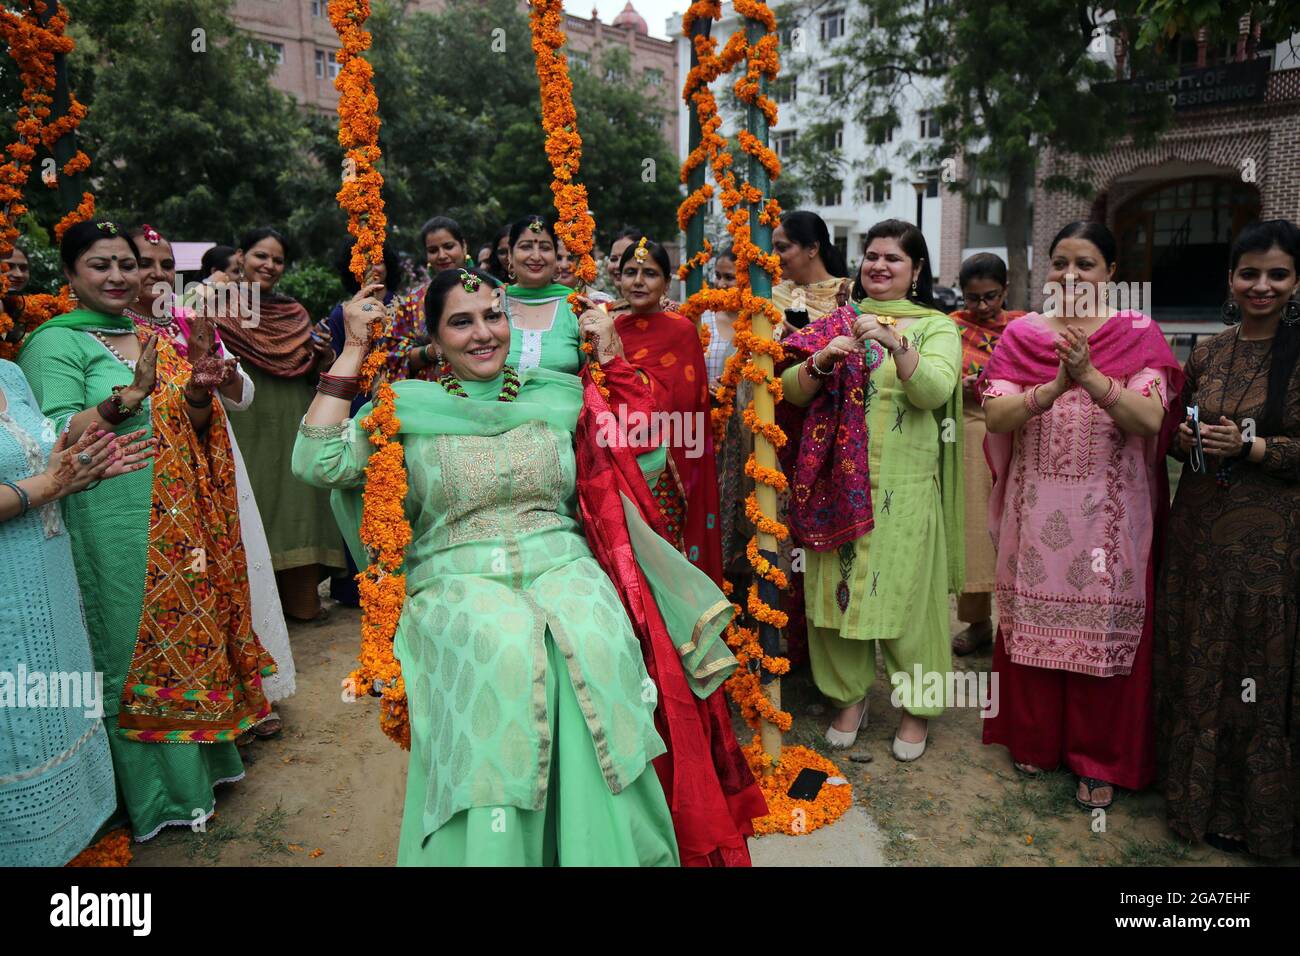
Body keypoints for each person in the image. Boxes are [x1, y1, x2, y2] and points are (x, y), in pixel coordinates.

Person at [292, 267, 761, 865]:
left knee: (594, 641)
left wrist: (612, 356)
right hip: (454, 577)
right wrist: (355, 348)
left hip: (563, 563)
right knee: (505, 649)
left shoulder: (558, 395)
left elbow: (640, 458)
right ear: (434, 340)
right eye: (460, 323)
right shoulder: (402, 408)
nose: (482, 333)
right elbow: (316, 461)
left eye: (493, 316)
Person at [18, 220, 276, 841]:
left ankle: (200, 769)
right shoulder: (53, 344)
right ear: (70, 276)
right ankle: (149, 793)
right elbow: (51, 438)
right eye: (100, 266)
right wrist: (124, 399)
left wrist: (199, 389)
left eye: (126, 266)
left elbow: (191, 418)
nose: (117, 277)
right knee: (127, 644)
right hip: (111, 517)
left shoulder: (147, 330)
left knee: (186, 636)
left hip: (184, 513)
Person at [980, 221, 1183, 810]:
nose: (1071, 275)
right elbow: (996, 419)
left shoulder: (1138, 335)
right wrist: (1053, 386)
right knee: (1032, 626)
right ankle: (1037, 740)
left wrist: (1090, 378)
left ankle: (1101, 759)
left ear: (1112, 273)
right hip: (1037, 509)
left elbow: (1149, 420)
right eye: (1061, 262)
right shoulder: (1022, 336)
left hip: (1110, 518)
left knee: (1104, 632)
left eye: (1087, 264)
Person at [777, 219, 963, 761]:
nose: (879, 266)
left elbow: (933, 391)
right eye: (872, 256)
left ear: (917, 270)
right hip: (837, 486)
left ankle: (915, 710)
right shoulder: (839, 319)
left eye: (894, 259)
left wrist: (895, 343)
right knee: (836, 594)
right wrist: (822, 359)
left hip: (904, 487)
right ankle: (848, 700)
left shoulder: (935, 328)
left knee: (908, 600)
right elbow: (790, 391)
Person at [1156, 219, 1300, 857]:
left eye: (1277, 274)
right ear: (1231, 279)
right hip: (1200, 532)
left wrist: (1255, 445)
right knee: (1201, 653)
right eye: (1249, 273)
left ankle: (1255, 813)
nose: (1261, 286)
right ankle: (1194, 801)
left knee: (1256, 665)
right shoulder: (1211, 351)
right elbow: (1181, 424)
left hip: (1270, 548)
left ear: (1296, 281)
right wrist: (1186, 439)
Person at [126, 224, 296, 733]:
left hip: (220, 465)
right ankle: (207, 701)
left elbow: (242, 395)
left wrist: (214, 368)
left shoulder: (187, 318)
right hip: (162, 476)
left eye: (165, 265)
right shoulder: (115, 329)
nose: (157, 274)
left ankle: (251, 691)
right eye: (145, 263)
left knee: (235, 574)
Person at [1, 365, 153, 866]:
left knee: (53, 705)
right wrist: (45, 486)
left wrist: (120, 405)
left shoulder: (7, 374)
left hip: (45, 575)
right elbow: (42, 478)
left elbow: (45, 444)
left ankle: (63, 846)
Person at [216, 226, 344, 622]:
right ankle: (255, 615)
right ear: (240, 255)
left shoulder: (292, 312)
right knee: (251, 501)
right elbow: (175, 317)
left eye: (277, 259)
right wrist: (213, 284)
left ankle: (301, 602)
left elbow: (311, 371)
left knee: (298, 502)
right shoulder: (217, 303)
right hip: (244, 419)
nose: (269, 265)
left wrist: (323, 356)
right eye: (260, 256)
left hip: (291, 413)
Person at [949, 253, 1025, 656]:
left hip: (1019, 430)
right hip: (970, 433)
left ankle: (1019, 625)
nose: (981, 307)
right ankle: (979, 624)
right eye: (972, 298)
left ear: (1006, 290)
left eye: (990, 296)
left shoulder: (1022, 326)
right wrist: (957, 383)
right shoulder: (950, 328)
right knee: (976, 533)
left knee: (1020, 528)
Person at [371, 216, 467, 387]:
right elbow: (392, 357)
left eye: (449, 246)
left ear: (464, 246)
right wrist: (430, 352)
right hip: (429, 397)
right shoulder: (414, 300)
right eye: (433, 250)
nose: (442, 255)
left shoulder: (487, 289)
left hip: (484, 393)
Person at [503, 215, 584, 374]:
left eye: (545, 248)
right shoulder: (494, 301)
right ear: (510, 256)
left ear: (555, 257)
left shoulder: (575, 306)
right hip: (493, 398)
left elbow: (592, 373)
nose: (536, 256)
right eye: (526, 247)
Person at [771, 210, 851, 336]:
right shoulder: (772, 297)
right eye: (773, 248)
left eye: (782, 248)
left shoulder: (850, 294)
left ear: (813, 249)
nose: (773, 256)